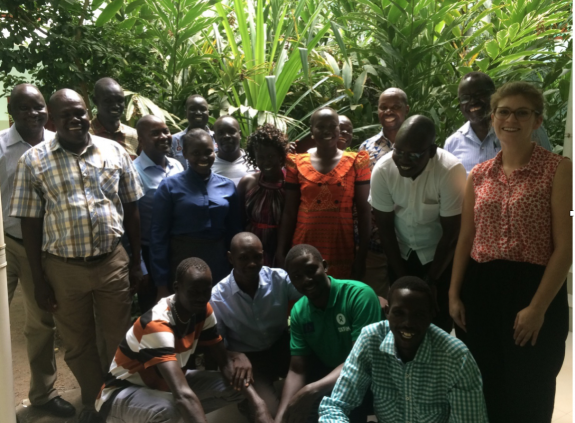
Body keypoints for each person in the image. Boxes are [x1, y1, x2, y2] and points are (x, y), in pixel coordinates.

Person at [10, 88, 144, 423]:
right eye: (65, 114)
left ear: (88, 113)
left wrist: (137, 260)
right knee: (77, 343)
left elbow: (132, 208)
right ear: (53, 120)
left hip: (112, 261)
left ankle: (119, 399)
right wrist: (39, 280)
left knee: (119, 337)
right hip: (63, 268)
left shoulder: (114, 151)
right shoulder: (34, 161)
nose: (75, 119)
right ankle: (94, 400)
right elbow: (30, 222)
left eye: (80, 111)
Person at [448, 82, 572, 423]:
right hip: (481, 287)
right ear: (493, 117)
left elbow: (565, 248)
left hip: (533, 286)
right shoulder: (479, 174)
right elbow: (466, 239)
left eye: (522, 112)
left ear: (537, 121)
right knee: (486, 383)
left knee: (530, 384)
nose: (511, 119)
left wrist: (537, 308)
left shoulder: (559, 169)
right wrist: (454, 293)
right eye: (503, 111)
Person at [96, 257, 274, 423]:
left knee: (235, 387)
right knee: (167, 409)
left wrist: (259, 404)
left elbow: (225, 362)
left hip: (164, 387)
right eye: (194, 292)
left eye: (206, 291)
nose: (201, 298)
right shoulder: (157, 324)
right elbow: (182, 393)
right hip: (121, 394)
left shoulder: (203, 312)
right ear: (177, 287)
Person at [318, 276, 488, 423]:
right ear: (387, 312)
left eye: (418, 315)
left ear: (431, 315)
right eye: (399, 313)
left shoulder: (456, 357)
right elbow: (335, 406)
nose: (408, 323)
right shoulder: (370, 340)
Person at [1, 84, 75, 418]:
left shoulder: (59, 145)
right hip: (4, 245)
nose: (33, 114)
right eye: (23, 108)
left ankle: (42, 395)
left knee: (42, 322)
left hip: (42, 249)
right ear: (10, 110)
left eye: (38, 107)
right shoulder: (2, 148)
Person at [370, 115, 466, 333]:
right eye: (399, 151)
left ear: (431, 151)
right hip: (400, 254)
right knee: (402, 321)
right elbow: (385, 230)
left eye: (413, 154)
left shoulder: (450, 171)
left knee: (438, 321)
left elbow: (451, 234)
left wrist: (431, 280)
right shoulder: (384, 170)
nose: (404, 160)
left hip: (440, 257)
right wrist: (402, 279)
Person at [275, 244, 381, 423]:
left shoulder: (359, 296)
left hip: (370, 378)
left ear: (324, 266)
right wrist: (281, 416)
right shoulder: (299, 312)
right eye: (297, 276)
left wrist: (311, 391)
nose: (306, 280)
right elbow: (297, 369)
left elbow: (360, 362)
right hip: (330, 378)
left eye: (311, 270)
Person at [210, 232, 302, 416]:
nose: (252, 264)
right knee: (271, 413)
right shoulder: (218, 297)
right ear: (230, 258)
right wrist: (235, 355)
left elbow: (311, 292)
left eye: (257, 257)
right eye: (243, 258)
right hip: (250, 360)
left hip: (281, 346)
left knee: (310, 399)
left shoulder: (279, 279)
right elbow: (215, 345)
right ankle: (249, 404)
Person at [276, 107, 371, 280]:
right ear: (312, 131)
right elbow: (289, 211)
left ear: (338, 130)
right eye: (320, 126)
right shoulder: (296, 163)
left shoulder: (356, 162)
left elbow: (365, 211)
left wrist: (362, 256)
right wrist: (281, 251)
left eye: (332, 126)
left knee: (339, 299)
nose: (327, 130)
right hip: (304, 243)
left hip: (340, 246)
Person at [151, 128, 242, 299]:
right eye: (196, 153)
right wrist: (161, 283)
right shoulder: (169, 187)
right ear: (184, 153)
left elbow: (234, 231)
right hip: (182, 258)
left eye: (208, 152)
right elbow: (158, 236)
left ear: (214, 149)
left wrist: (236, 268)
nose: (203, 158)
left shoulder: (227, 186)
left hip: (218, 260)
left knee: (218, 310)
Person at [444, 71, 553, 174]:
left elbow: (548, 170)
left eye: (480, 94)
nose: (473, 101)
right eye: (465, 98)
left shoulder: (524, 130)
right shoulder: (452, 143)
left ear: (494, 96)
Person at [358, 88, 410, 297]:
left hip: (410, 239)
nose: (389, 111)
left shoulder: (420, 144)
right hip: (377, 241)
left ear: (406, 109)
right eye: (383, 107)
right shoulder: (366, 148)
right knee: (376, 300)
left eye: (395, 107)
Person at [133, 115, 184, 312]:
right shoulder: (134, 172)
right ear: (141, 140)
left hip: (177, 249)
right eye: (155, 133)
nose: (164, 136)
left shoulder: (177, 165)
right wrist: (141, 266)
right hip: (149, 252)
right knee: (154, 311)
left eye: (166, 131)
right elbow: (130, 222)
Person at [238, 124, 288, 266]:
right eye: (261, 157)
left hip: (283, 245)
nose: (266, 162)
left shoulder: (291, 183)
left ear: (280, 155)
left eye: (271, 156)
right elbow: (239, 221)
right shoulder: (248, 183)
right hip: (253, 248)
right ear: (254, 158)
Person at [90, 77, 139, 159]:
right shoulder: (84, 134)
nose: (116, 106)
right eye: (108, 101)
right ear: (95, 101)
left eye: (120, 100)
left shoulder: (134, 136)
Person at [171, 94, 215, 169]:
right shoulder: (173, 140)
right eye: (193, 109)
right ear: (186, 113)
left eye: (202, 109)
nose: (198, 112)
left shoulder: (217, 138)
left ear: (208, 112)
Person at [212, 116, 255, 185]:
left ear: (240, 135)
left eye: (231, 132)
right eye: (220, 133)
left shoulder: (253, 161)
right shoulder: (209, 164)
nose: (226, 136)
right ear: (215, 138)